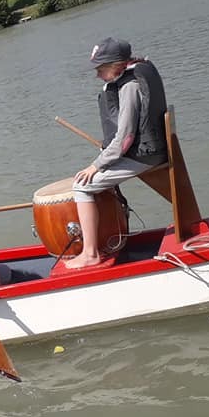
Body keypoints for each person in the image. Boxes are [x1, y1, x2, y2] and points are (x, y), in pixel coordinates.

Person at [67, 37, 168, 268]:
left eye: (100, 69)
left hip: (144, 156)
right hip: (148, 152)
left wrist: (97, 165)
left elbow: (126, 139)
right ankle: (109, 239)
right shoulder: (133, 77)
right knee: (92, 179)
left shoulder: (129, 87)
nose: (97, 75)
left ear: (116, 65)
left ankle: (90, 254)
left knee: (81, 186)